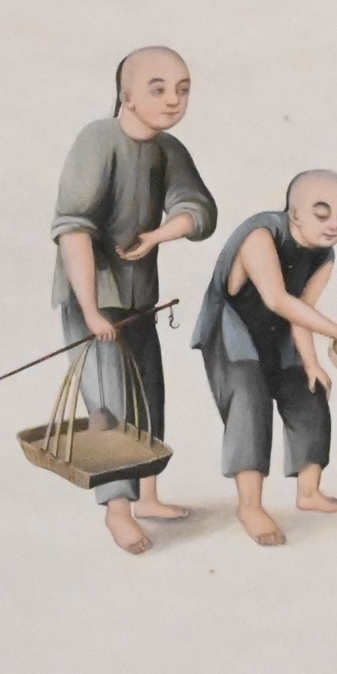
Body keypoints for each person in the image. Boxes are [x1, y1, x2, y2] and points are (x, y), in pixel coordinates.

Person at [52, 47, 216, 556]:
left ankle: (147, 496)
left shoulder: (168, 149)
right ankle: (117, 510)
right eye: (158, 88)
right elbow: (73, 229)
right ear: (126, 95)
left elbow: (200, 209)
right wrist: (91, 310)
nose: (173, 100)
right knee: (110, 404)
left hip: (140, 296)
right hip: (93, 294)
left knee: (147, 394)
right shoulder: (98, 139)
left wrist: (160, 234)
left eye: (182, 90)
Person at [193, 171, 337, 547]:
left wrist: (312, 363)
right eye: (322, 214)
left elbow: (302, 310)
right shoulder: (261, 233)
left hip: (280, 333)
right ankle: (250, 506)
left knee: (309, 390)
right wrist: (334, 329)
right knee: (249, 401)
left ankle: (309, 492)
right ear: (295, 212)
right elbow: (276, 298)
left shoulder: (324, 255)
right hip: (233, 332)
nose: (334, 226)